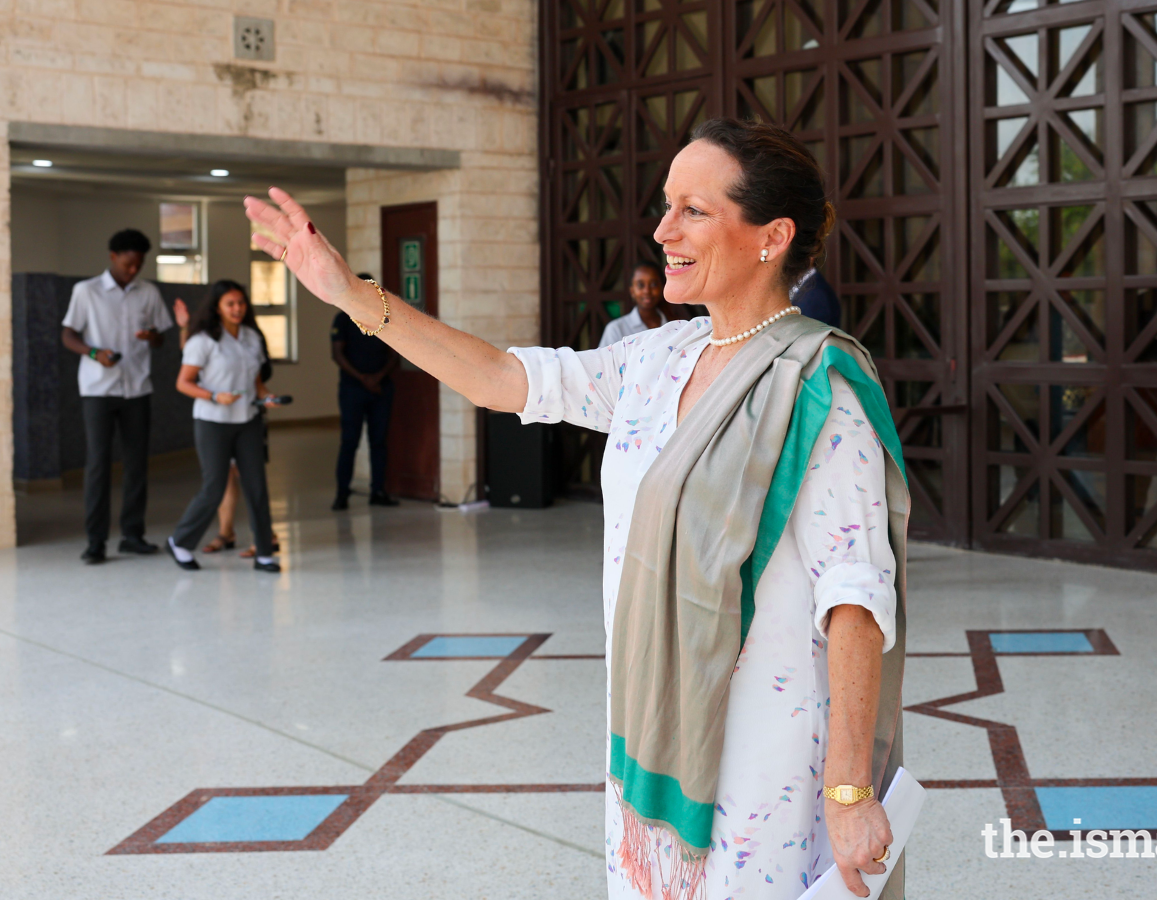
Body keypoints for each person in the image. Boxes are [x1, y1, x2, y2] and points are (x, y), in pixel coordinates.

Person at [244, 116, 908, 900]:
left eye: (693, 210)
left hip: (771, 747)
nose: (662, 230)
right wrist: (349, 294)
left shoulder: (819, 385)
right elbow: (498, 378)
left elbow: (856, 597)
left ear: (772, 236)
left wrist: (850, 792)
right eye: (665, 206)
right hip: (652, 732)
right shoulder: (656, 358)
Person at [61, 228, 174, 564]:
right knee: (98, 466)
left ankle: (132, 535)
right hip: (98, 389)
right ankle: (96, 542)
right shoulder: (87, 291)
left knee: (137, 465)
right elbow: (68, 333)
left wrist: (152, 336)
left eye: (139, 264)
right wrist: (94, 353)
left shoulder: (148, 292)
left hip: (137, 388)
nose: (133, 270)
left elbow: (160, 340)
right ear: (113, 257)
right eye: (128, 263)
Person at [167, 280, 281, 573]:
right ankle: (179, 541)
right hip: (213, 422)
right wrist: (215, 396)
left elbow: (256, 383)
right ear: (217, 307)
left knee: (257, 486)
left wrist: (266, 397)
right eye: (230, 304)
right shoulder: (203, 340)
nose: (237, 309)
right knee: (214, 488)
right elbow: (183, 383)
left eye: (241, 303)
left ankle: (265, 554)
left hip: (248, 421)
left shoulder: (252, 338)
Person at [331, 273, 401, 510]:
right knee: (349, 441)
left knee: (379, 441)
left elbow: (395, 354)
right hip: (353, 389)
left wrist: (377, 378)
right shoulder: (342, 319)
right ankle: (342, 493)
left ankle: (378, 491)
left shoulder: (383, 318)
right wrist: (363, 378)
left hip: (381, 388)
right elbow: (337, 354)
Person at [599, 261, 667, 348]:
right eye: (640, 285)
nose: (647, 291)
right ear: (632, 291)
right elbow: (606, 361)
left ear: (662, 287)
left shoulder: (673, 323)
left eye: (653, 284)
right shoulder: (616, 329)